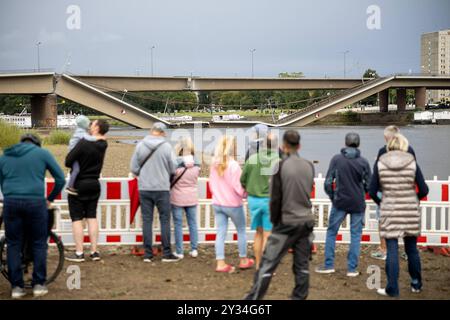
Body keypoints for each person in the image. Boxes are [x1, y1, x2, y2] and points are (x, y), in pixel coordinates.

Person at [245, 130, 315, 300]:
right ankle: (299, 297)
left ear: (283, 146)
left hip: (286, 221)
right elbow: (308, 190)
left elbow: (275, 199)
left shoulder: (280, 167)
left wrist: (275, 222)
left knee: (268, 264)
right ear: (299, 146)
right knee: (302, 266)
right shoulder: (308, 165)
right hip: (306, 221)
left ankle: (253, 299)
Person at [0, 133, 65, 298]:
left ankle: (16, 288)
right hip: (35, 203)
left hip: (11, 203)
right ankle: (38, 285)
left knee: (13, 244)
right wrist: (49, 199)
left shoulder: (6, 155)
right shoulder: (42, 153)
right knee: (38, 243)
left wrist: (8, 193)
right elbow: (60, 179)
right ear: (36, 144)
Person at [369, 133, 428, 297]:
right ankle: (416, 284)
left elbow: (372, 190)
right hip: (409, 210)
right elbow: (424, 190)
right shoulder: (412, 164)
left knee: (392, 249)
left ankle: (392, 289)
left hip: (390, 210)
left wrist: (382, 203)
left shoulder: (381, 164)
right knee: (412, 250)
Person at [315, 132, 371, 277]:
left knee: (332, 232)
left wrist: (334, 197)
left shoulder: (336, 160)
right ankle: (352, 269)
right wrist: (362, 192)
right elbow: (369, 185)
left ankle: (329, 265)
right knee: (355, 235)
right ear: (358, 144)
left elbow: (328, 182)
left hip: (340, 201)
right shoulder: (363, 162)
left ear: (345, 143)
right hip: (357, 202)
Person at [130, 122, 179, 262]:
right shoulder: (167, 147)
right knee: (164, 220)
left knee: (147, 220)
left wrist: (144, 173)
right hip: (162, 188)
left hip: (144, 187)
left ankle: (147, 253)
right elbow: (173, 169)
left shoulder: (140, 145)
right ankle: (167, 253)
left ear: (151, 131)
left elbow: (134, 168)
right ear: (163, 133)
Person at [64, 119, 109, 263]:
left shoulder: (83, 143)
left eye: (93, 124)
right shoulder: (103, 144)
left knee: (77, 219)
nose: (90, 126)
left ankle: (79, 253)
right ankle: (94, 251)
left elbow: (68, 161)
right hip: (94, 183)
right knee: (92, 217)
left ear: (96, 128)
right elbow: (100, 139)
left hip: (79, 184)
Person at [209, 136, 254, 273]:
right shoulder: (234, 166)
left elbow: (211, 184)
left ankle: (220, 262)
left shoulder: (214, 163)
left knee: (221, 232)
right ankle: (243, 259)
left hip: (217, 203)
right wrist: (247, 194)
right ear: (232, 149)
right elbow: (239, 188)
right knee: (241, 230)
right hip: (233, 205)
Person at [371, 125, 416, 261]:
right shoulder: (410, 150)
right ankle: (408, 251)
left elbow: (376, 173)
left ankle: (384, 249)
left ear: (386, 137)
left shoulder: (382, 151)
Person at [240, 133, 279, 269]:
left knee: (258, 233)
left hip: (254, 200)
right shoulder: (278, 160)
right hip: (270, 201)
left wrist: (250, 187)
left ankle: (257, 264)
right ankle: (266, 267)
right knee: (268, 235)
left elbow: (242, 179)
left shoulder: (252, 159)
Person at [170, 136, 200, 259]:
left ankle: (180, 251)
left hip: (177, 197)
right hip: (192, 197)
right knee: (192, 223)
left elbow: (171, 177)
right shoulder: (197, 165)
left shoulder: (175, 165)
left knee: (178, 224)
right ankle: (194, 249)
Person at [65, 115, 97, 196]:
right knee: (76, 170)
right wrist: (96, 138)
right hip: (73, 154)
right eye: (87, 123)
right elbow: (87, 138)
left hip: (74, 153)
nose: (89, 125)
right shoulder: (81, 133)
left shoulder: (79, 131)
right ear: (84, 124)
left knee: (76, 169)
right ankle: (70, 186)